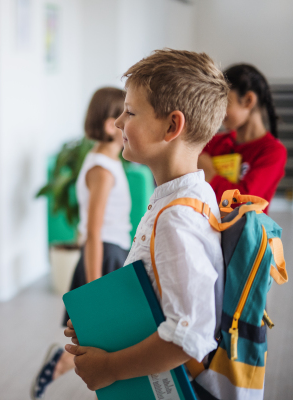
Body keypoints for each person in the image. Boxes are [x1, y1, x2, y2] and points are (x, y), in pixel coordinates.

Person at [64, 49, 228, 393]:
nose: (119, 122)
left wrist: (109, 367)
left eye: (130, 112)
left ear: (172, 126)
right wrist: (106, 327)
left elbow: (189, 336)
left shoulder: (177, 220)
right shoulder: (184, 198)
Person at [31, 88, 132, 399]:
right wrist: (95, 286)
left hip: (113, 252)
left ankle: (58, 363)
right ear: (107, 125)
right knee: (110, 340)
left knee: (102, 339)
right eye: (126, 115)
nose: (131, 122)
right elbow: (94, 232)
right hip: (105, 256)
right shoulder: (101, 168)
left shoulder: (108, 162)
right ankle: (61, 364)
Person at [198, 63, 287, 214]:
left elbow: (246, 202)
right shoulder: (213, 142)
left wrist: (211, 175)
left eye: (224, 102)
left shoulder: (273, 152)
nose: (217, 112)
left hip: (244, 235)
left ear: (248, 101)